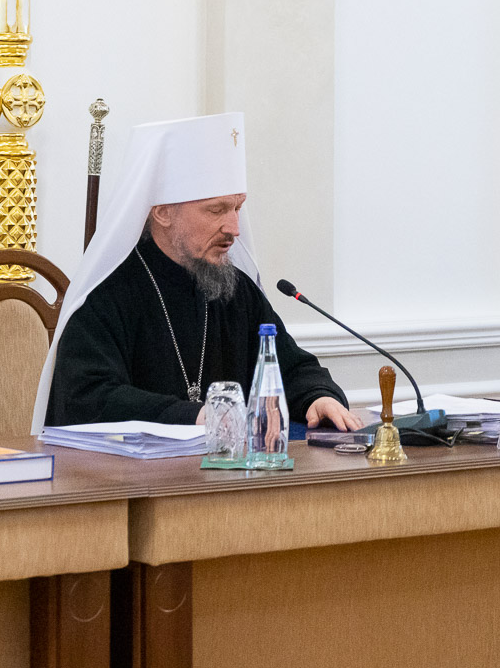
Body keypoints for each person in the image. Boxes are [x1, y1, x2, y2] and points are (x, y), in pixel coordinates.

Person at [33, 113, 359, 431]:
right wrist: (195, 416)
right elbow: (89, 398)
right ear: (163, 213)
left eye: (237, 208)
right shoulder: (106, 295)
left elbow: (291, 366)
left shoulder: (235, 291)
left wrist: (317, 397)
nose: (234, 228)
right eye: (216, 210)